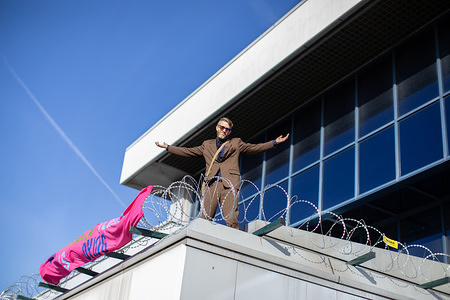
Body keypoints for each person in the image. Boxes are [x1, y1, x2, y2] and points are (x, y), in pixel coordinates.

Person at [155, 117, 289, 229]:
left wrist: (274, 142)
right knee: (205, 218)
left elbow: (253, 148)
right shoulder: (207, 145)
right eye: (222, 127)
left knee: (231, 219)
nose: (224, 131)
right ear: (217, 127)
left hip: (229, 184)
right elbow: (188, 152)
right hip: (211, 184)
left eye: (227, 129)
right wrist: (168, 147)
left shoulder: (236, 143)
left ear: (229, 132)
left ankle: (234, 245)